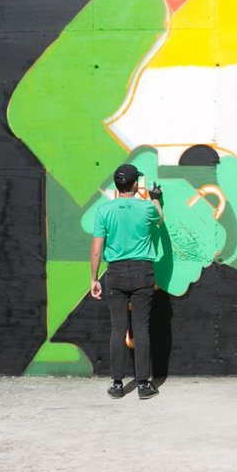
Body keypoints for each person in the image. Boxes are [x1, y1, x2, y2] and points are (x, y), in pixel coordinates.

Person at [89, 163, 164, 399]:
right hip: (142, 272)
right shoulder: (146, 208)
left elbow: (96, 250)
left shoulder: (104, 211)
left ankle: (117, 385)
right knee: (141, 328)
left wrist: (94, 279)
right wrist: (155, 198)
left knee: (118, 328)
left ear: (117, 185)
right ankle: (143, 385)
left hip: (116, 273)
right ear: (135, 184)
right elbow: (160, 220)